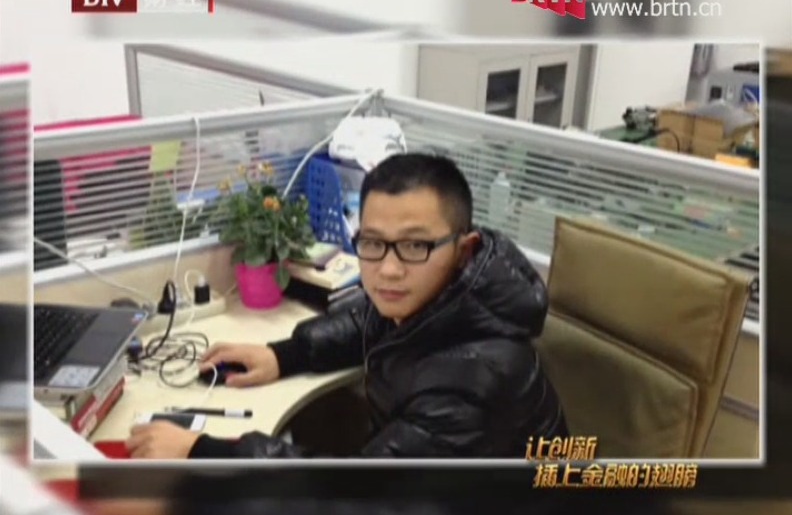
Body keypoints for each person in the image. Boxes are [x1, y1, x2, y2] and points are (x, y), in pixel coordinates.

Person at [126, 153, 567, 459]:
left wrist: (202, 452)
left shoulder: (475, 380)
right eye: (373, 243)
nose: (388, 270)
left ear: (463, 250)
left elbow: (355, 492)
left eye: (415, 245)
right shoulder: (446, 298)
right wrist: (284, 355)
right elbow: (367, 321)